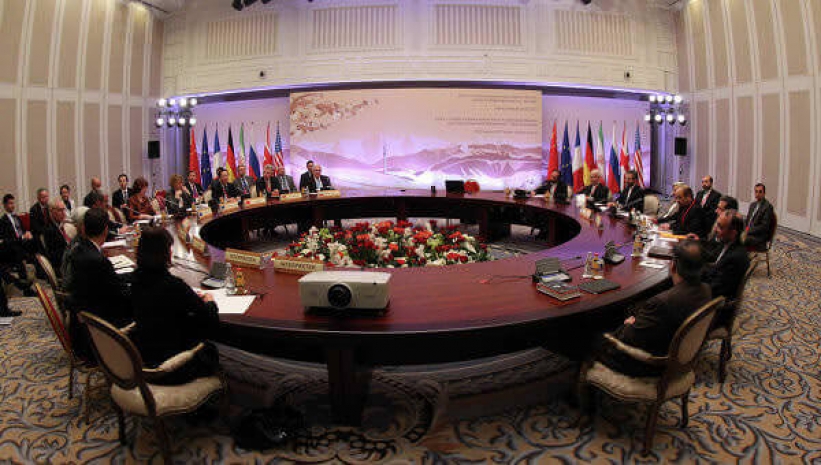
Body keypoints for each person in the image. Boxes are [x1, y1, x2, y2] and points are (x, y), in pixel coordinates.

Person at [596, 241, 711, 376]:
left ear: (673, 265)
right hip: (677, 354)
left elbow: (629, 338)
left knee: (590, 336)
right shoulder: (706, 290)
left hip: (649, 364)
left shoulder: (663, 302)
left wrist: (629, 325)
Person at [130, 227, 220, 384]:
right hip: (173, 368)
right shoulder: (173, 285)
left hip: (145, 358)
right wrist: (210, 301)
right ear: (166, 253)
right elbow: (210, 318)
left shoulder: (135, 280)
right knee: (210, 348)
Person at [63, 208, 132, 359]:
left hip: (83, 322)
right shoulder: (98, 260)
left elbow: (109, 280)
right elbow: (120, 294)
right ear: (106, 230)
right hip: (98, 333)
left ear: (83, 228)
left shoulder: (81, 248)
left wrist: (133, 276)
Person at [701, 211, 750, 326]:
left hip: (715, 309)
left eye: (720, 227)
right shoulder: (727, 243)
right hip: (712, 291)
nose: (715, 229)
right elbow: (713, 260)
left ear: (733, 233)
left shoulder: (736, 258)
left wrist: (691, 281)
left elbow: (716, 289)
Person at [0, 194, 36, 297]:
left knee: (34, 241)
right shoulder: (3, 221)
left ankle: (44, 273)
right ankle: (26, 288)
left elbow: (22, 230)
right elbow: (7, 240)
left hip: (22, 243)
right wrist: (21, 238)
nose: (12, 205)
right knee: (18, 253)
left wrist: (27, 234)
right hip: (12, 246)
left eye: (13, 203)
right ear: (5, 205)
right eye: (10, 203)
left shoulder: (17, 218)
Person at [42, 198, 71, 275]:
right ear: (51, 211)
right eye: (60, 210)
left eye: (64, 210)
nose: (64, 213)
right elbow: (56, 256)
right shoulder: (49, 230)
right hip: (62, 267)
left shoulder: (59, 225)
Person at [744, 183, 775, 248]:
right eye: (756, 191)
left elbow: (763, 227)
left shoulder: (768, 207)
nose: (757, 194)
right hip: (749, 232)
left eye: (760, 192)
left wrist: (748, 231)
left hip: (759, 236)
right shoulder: (752, 205)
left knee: (741, 239)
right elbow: (747, 220)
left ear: (764, 193)